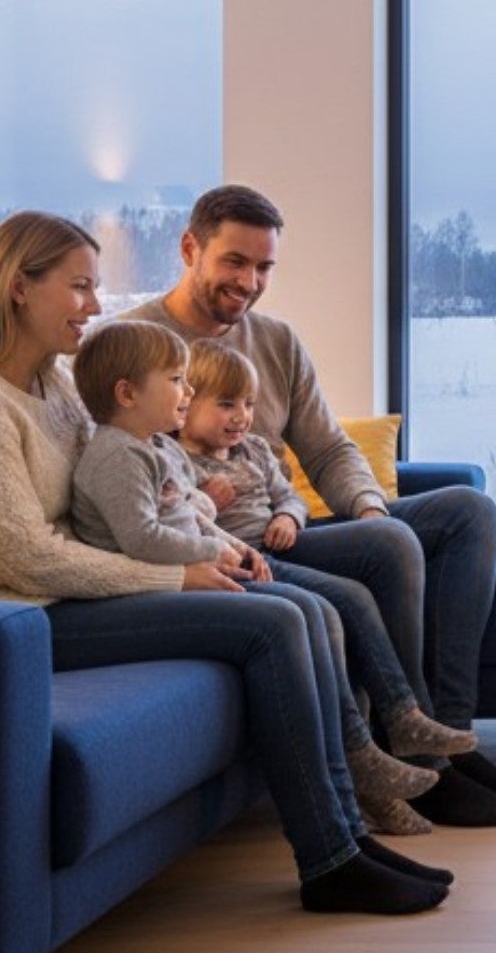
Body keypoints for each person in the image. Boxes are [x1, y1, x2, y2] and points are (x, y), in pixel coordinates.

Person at [0, 211, 451, 914]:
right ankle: (330, 858)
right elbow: (28, 560)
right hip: (27, 619)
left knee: (309, 603)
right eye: (80, 287)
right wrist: (174, 574)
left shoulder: (56, 388)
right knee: (272, 626)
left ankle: (348, 833)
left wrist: (211, 536)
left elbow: (135, 483)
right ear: (16, 287)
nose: (95, 307)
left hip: (91, 588)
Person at [118, 184, 496, 826]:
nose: (250, 281)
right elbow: (113, 475)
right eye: (234, 262)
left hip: (282, 525)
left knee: (466, 513)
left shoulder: (277, 343)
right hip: (218, 544)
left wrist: (370, 508)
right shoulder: (133, 344)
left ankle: (446, 731)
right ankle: (426, 766)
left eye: (263, 267)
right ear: (189, 249)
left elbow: (328, 448)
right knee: (390, 545)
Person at [65, 322, 449, 835]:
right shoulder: (118, 454)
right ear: (128, 393)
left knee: (337, 601)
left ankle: (386, 731)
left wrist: (236, 545)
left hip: (220, 556)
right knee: (313, 608)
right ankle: (359, 764)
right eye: (178, 382)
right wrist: (219, 550)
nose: (185, 393)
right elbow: (143, 538)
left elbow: (191, 517)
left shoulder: (151, 447)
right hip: (153, 586)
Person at [175, 337, 478, 835]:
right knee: (343, 601)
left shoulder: (252, 448)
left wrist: (292, 518)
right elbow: (174, 521)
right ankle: (377, 758)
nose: (241, 417)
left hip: (279, 544)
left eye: (248, 405)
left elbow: (290, 492)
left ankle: (405, 716)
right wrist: (208, 503)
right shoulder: (175, 461)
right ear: (184, 406)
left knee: (433, 526)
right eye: (226, 404)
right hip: (241, 561)